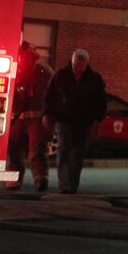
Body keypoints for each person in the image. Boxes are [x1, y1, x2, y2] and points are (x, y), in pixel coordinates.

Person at [42, 48, 107, 194]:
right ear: (72, 62)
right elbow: (49, 96)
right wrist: (47, 115)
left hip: (84, 122)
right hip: (64, 120)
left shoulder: (94, 79)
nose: (79, 70)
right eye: (77, 66)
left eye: (82, 67)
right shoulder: (60, 76)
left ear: (87, 64)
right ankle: (65, 184)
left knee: (77, 154)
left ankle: (72, 184)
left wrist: (98, 120)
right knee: (64, 149)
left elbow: (101, 101)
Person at [6, 40, 52, 191]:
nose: (24, 60)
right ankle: (13, 179)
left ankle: (40, 179)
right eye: (22, 57)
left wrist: (49, 115)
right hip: (16, 118)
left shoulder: (44, 73)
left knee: (37, 150)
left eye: (28, 57)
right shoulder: (12, 72)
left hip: (37, 118)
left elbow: (53, 94)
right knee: (13, 150)